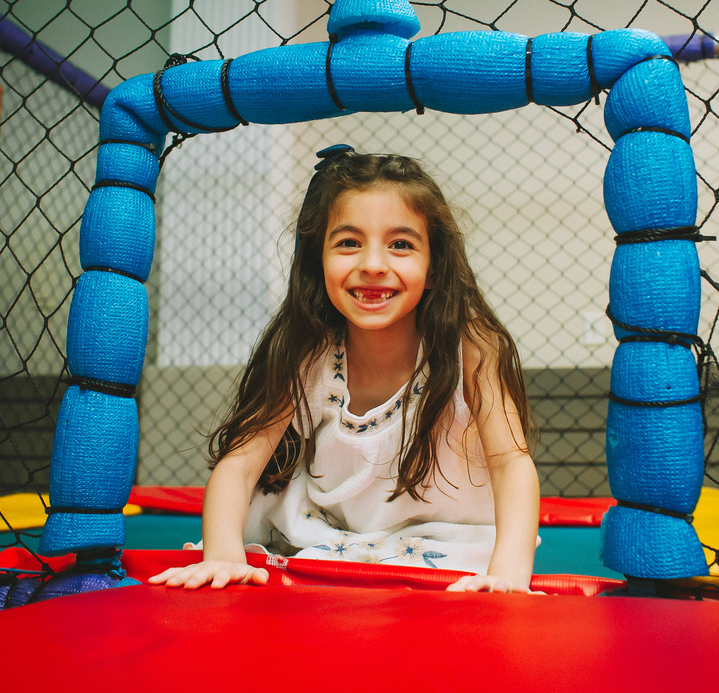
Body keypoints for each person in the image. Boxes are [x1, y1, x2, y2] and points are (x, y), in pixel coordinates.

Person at [149, 146, 540, 592]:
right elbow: (240, 464)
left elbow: (511, 462)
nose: (373, 265)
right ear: (320, 259)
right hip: (331, 532)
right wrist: (221, 557)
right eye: (349, 243)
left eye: (400, 245)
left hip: (441, 535)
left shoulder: (468, 345)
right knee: (263, 508)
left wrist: (509, 577)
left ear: (433, 267)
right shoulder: (309, 350)